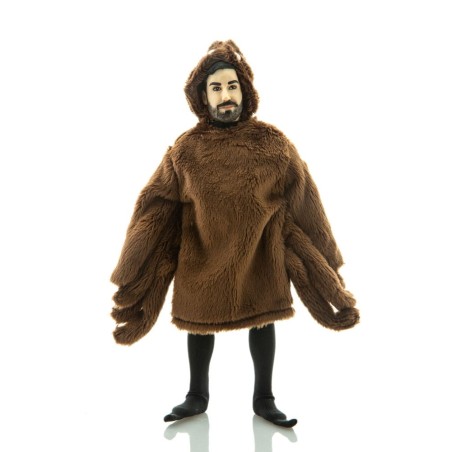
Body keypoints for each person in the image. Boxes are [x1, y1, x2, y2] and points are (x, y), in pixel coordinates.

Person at [110, 40, 359, 428]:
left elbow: (306, 202)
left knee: (263, 322)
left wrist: (328, 259)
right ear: (202, 96)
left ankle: (264, 398)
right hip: (201, 259)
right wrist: (132, 266)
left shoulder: (274, 145)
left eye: (232, 86)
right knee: (198, 326)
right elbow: (155, 205)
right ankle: (197, 395)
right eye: (216, 88)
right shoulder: (185, 151)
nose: (225, 96)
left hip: (260, 258)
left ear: (245, 90)